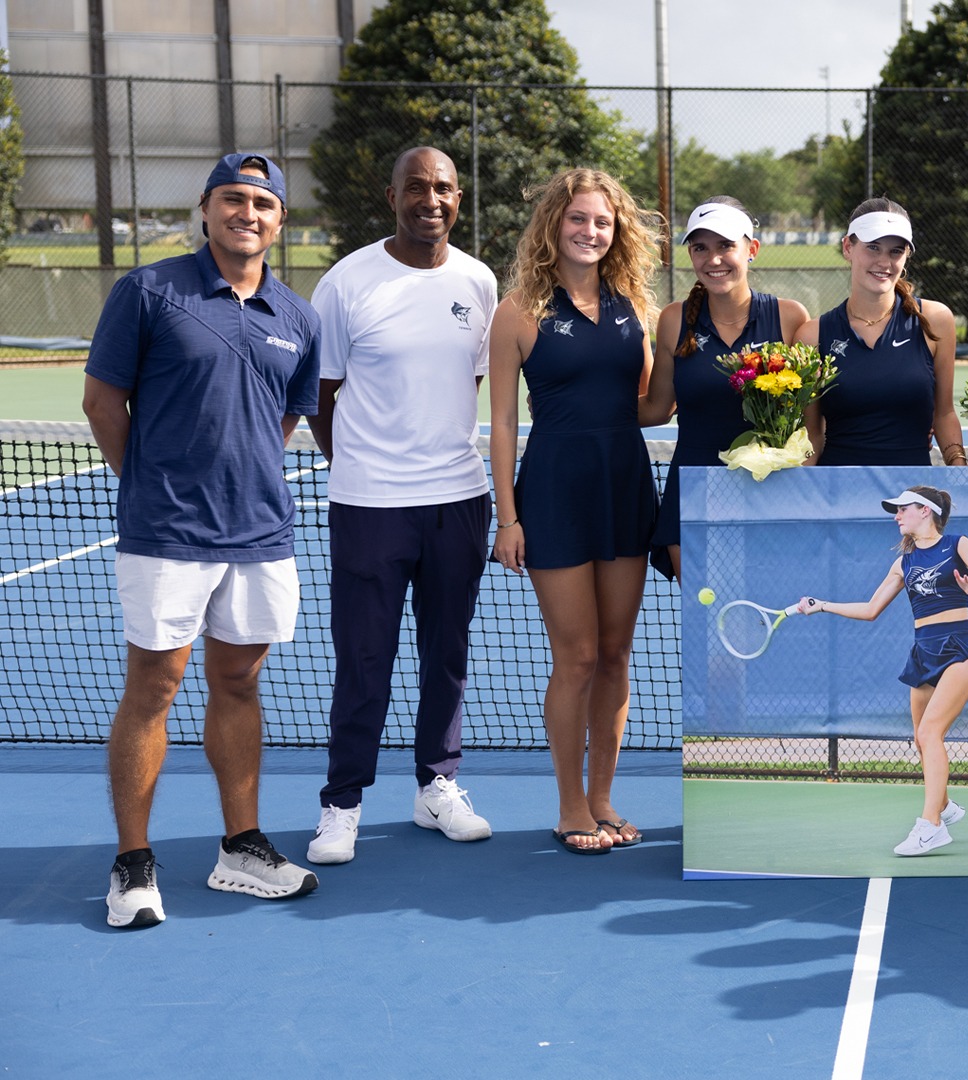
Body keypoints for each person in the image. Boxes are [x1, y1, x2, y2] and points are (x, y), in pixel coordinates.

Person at [82, 152, 322, 927]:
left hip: (259, 533)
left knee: (240, 685)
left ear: (280, 221)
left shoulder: (298, 317)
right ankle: (133, 864)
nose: (246, 213)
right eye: (232, 199)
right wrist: (146, 484)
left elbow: (283, 420)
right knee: (153, 689)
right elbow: (100, 401)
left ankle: (240, 849)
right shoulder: (149, 290)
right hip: (167, 532)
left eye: (261, 203)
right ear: (206, 207)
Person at [306, 147, 498, 865]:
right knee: (364, 658)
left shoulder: (478, 281)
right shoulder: (347, 283)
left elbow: (470, 383)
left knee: (445, 654)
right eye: (416, 187)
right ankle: (343, 802)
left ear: (458, 198)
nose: (431, 199)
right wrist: (361, 464)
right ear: (392, 196)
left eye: (444, 188)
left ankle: (436, 786)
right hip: (369, 505)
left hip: (459, 501)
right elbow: (321, 398)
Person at [489, 168, 664, 855]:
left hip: (625, 487)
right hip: (556, 491)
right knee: (578, 656)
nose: (591, 232)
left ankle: (602, 798)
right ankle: (568, 806)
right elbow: (501, 422)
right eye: (578, 220)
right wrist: (508, 518)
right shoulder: (519, 311)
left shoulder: (629, 306)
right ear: (553, 226)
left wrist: (721, 386)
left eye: (603, 222)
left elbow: (648, 404)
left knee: (617, 655)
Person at [796, 487, 968, 856]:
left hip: (960, 648)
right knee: (921, 738)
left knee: (931, 731)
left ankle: (930, 826)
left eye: (903, 510)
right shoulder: (902, 563)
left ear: (925, 511)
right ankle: (945, 806)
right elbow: (871, 609)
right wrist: (821, 605)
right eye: (896, 511)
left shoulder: (957, 543)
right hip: (924, 652)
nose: (897, 516)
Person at [642, 197, 810, 581]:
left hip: (772, 497)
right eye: (700, 247)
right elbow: (656, 408)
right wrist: (578, 405)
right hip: (695, 493)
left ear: (751, 250)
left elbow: (816, 418)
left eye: (725, 246)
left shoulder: (790, 317)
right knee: (707, 629)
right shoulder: (673, 320)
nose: (713, 259)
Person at [797, 199, 964, 466]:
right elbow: (812, 434)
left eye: (895, 251)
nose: (884, 262)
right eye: (873, 248)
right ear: (848, 247)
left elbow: (944, 415)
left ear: (906, 256)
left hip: (913, 497)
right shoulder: (811, 335)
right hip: (837, 494)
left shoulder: (935, 321)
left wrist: (960, 467)